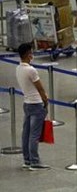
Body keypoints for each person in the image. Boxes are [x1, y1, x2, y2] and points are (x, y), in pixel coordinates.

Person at [16, 43, 50, 171]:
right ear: (27, 54)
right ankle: (35, 161)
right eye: (30, 52)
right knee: (34, 134)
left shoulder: (18, 68)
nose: (32, 55)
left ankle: (27, 159)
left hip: (27, 103)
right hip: (36, 103)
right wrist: (45, 101)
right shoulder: (31, 70)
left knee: (26, 133)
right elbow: (40, 88)